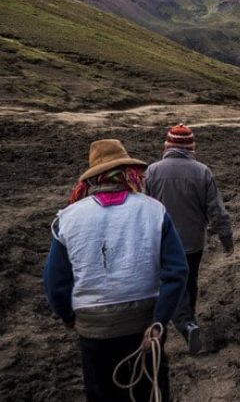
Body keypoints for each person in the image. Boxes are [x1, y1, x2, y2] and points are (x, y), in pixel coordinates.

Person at [44, 139, 188, 401]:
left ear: (92, 180)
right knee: (150, 391)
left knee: (102, 393)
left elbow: (56, 282)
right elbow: (177, 272)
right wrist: (159, 320)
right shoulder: (153, 210)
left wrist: (68, 317)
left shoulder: (68, 218)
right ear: (128, 174)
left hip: (94, 329)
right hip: (145, 327)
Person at [145, 124, 234, 354]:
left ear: (168, 145)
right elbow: (216, 209)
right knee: (189, 281)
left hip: (162, 242)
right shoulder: (202, 171)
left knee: (170, 285)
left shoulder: (152, 172)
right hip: (193, 241)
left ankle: (185, 325)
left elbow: (142, 209)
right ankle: (189, 321)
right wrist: (226, 238)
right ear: (191, 146)